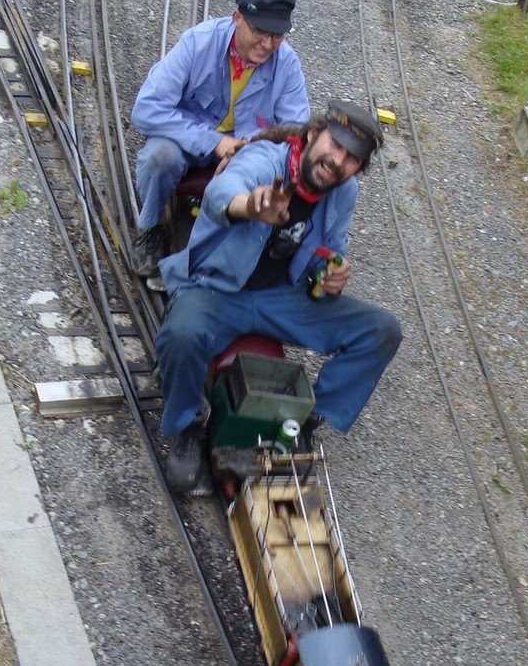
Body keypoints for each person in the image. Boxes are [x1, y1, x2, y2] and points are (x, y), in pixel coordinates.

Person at [155, 100, 403, 491]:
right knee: (181, 334)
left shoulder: (342, 191)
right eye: (334, 146)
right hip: (219, 290)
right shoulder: (266, 162)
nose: (337, 161)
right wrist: (250, 205)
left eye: (351, 158)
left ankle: (305, 419)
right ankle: (186, 425)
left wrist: (329, 272)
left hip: (281, 297)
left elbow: (329, 247)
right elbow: (222, 193)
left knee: (382, 330)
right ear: (310, 136)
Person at [129, 0, 310, 277]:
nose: (268, 45)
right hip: (185, 140)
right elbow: (146, 108)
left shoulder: (287, 64)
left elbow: (295, 131)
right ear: (236, 18)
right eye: (260, 32)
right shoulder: (197, 43)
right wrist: (213, 142)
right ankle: (152, 227)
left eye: (276, 36)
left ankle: (253, 241)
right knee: (159, 157)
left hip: (246, 149)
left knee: (291, 169)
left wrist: (248, 150)